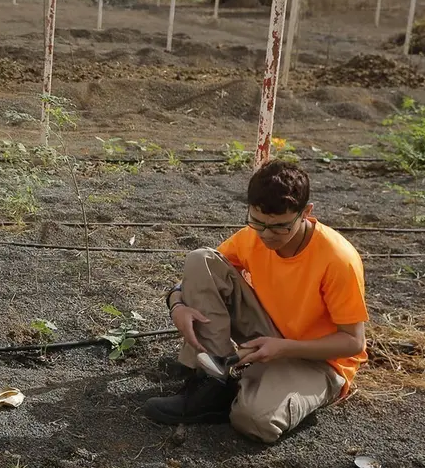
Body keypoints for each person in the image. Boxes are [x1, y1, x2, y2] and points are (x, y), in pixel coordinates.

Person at [144, 160, 367, 443]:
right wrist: (176, 303)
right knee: (200, 259)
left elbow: (353, 342)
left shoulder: (338, 260)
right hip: (269, 333)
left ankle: (249, 387)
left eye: (280, 227)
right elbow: (205, 272)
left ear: (306, 213)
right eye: (257, 222)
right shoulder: (253, 236)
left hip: (320, 361)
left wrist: (284, 348)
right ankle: (214, 382)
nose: (266, 235)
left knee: (253, 421)